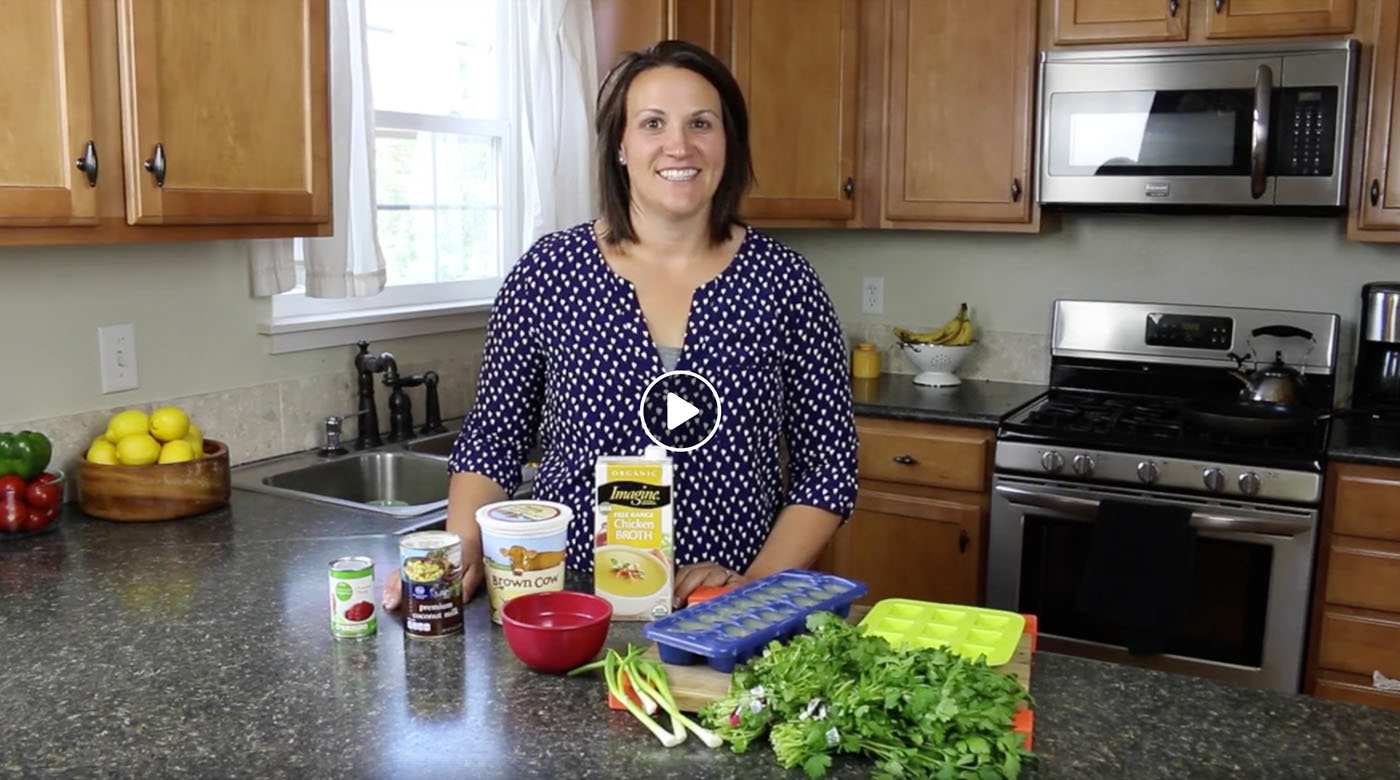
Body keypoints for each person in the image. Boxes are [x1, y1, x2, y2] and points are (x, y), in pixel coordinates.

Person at [384, 40, 857, 612]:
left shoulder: (785, 283)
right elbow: (493, 439)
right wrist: (459, 550)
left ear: (727, 142)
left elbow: (829, 462)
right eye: (653, 123)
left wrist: (755, 586)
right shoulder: (550, 272)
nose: (678, 145)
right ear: (621, 146)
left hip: (720, 609)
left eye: (701, 123)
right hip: (568, 600)